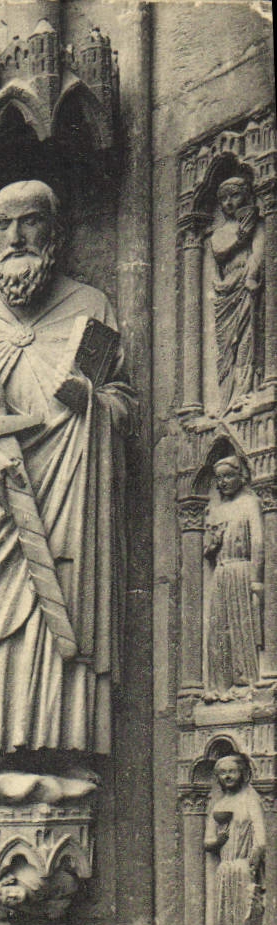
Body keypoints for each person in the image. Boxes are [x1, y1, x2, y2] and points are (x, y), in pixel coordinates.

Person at [0, 180, 137, 782]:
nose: (17, 237)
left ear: (56, 232)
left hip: (71, 484)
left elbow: (125, 401)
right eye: (5, 225)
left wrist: (92, 401)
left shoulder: (90, 306)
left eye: (31, 222)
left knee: (67, 599)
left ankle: (68, 740)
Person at [203, 454, 264, 700]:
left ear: (241, 476)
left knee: (241, 625)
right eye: (219, 478)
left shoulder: (250, 503)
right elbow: (208, 550)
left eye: (229, 476)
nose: (224, 482)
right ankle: (220, 685)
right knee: (219, 627)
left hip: (241, 570)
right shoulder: (217, 509)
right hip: (221, 571)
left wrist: (256, 580)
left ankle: (245, 681)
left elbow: (258, 542)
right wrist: (213, 542)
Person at [204, 752, 267, 925]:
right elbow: (207, 842)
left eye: (232, 771)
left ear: (243, 773)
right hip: (224, 869)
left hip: (243, 867)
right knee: (224, 921)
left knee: (245, 920)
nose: (227, 776)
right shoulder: (218, 805)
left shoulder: (250, 800)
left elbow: (261, 840)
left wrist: (252, 867)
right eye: (223, 773)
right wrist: (219, 841)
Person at [211, 176, 266, 414]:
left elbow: (259, 251)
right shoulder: (220, 232)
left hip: (246, 285)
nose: (229, 203)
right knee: (226, 347)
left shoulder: (257, 224)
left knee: (246, 340)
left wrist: (252, 276)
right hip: (227, 292)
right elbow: (219, 251)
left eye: (235, 196)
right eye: (224, 199)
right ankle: (226, 400)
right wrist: (240, 238)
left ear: (247, 196)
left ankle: (244, 393)